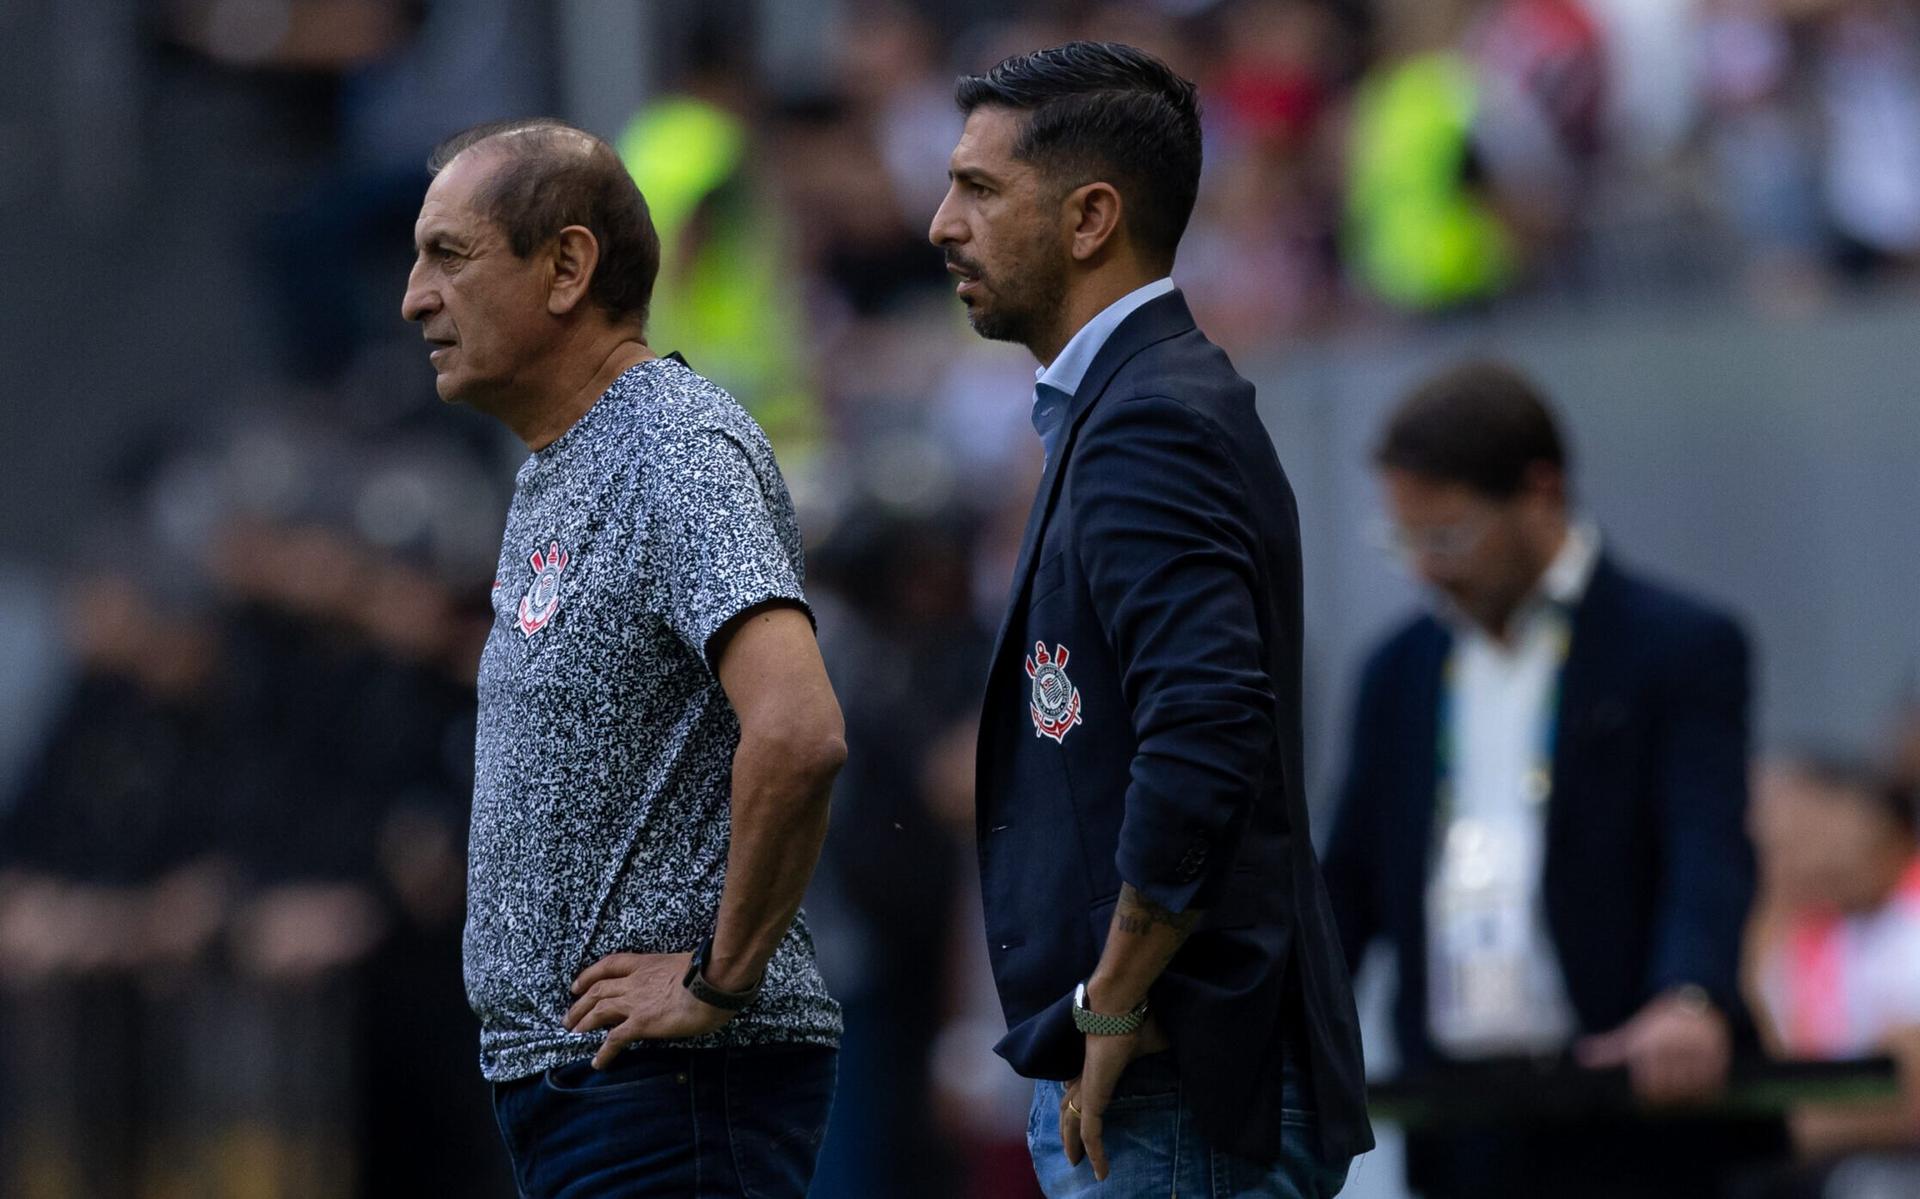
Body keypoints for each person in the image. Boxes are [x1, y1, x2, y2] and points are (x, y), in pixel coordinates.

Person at [930, 42, 1373, 1197]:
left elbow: (1207, 724)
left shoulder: (1150, 422)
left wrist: (1118, 991)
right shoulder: (1127, 407)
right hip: (1158, 1082)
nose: (941, 224)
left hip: (1173, 1087)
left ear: (1090, 218)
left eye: (979, 189)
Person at [400, 119, 847, 1199]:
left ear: (566, 268)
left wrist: (718, 978)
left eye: (448, 255)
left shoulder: (673, 448)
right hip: (583, 1089)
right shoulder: (566, 464)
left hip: (672, 1091)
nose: (414, 297)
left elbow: (799, 728)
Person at [1323, 360, 1770, 1198]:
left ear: (1540, 491)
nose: (1425, 567)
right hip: (1458, 1109)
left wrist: (1690, 994)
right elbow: (1347, 882)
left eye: (1448, 537)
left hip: (1630, 1099)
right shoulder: (1397, 671)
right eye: (1405, 541)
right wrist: (1280, 1029)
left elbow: (1706, 841)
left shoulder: (1676, 646)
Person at [1740, 755, 1920, 1199]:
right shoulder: (1807, 926)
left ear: (1867, 815)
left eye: (1802, 818)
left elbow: (1905, 1097)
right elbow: (1759, 1054)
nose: (1783, 842)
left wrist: (1745, 1137)